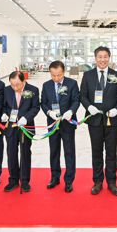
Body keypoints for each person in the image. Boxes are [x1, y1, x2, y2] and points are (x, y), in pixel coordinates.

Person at [80, 46, 117, 196]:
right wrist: (89, 107)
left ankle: (112, 182)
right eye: (100, 57)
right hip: (94, 120)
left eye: (105, 56)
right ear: (95, 58)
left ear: (109, 58)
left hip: (112, 120)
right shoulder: (88, 75)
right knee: (97, 151)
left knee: (111, 152)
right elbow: (83, 95)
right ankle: (97, 181)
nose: (102, 60)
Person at [40, 60, 80, 193]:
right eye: (53, 75)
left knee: (69, 151)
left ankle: (69, 180)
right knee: (54, 151)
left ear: (64, 72)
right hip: (53, 123)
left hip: (67, 123)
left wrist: (71, 111)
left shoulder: (72, 83)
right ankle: (54, 177)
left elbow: (76, 100)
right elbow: (43, 103)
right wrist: (49, 112)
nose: (56, 78)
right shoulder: (46, 85)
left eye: (59, 75)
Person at [2, 71, 40, 193]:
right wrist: (4, 114)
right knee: (11, 153)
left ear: (24, 81)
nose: (15, 87)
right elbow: (4, 106)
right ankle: (13, 180)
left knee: (25, 153)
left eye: (17, 84)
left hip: (25, 126)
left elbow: (35, 107)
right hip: (11, 127)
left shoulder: (33, 90)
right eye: (12, 84)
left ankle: (24, 181)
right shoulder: (6, 90)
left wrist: (26, 118)